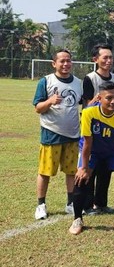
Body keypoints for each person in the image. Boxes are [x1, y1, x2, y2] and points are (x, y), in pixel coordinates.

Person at [69, 82, 114, 235]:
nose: (113, 102)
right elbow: (87, 142)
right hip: (92, 150)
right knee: (81, 178)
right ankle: (77, 218)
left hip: (113, 150)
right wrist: (84, 168)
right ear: (99, 98)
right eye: (109, 98)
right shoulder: (88, 112)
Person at [33, 49, 82, 220]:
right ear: (54, 63)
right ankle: (41, 205)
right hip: (51, 133)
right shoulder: (45, 81)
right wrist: (50, 101)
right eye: (62, 61)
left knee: (71, 171)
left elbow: (85, 104)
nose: (66, 64)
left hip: (73, 134)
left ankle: (70, 203)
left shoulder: (78, 83)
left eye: (68, 60)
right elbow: (38, 108)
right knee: (45, 172)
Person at [82, 44, 114, 215]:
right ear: (95, 59)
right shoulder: (90, 79)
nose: (108, 60)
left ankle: (101, 203)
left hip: (111, 129)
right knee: (91, 168)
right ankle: (87, 205)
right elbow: (85, 107)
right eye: (105, 57)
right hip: (93, 129)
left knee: (106, 169)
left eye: (110, 57)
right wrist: (96, 101)